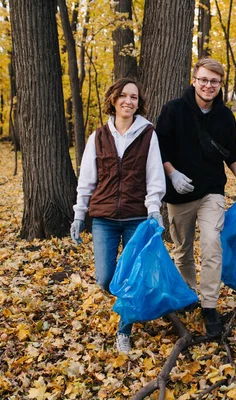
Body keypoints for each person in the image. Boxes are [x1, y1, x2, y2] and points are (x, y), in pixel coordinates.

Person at [155, 57, 236, 338]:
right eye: (203, 80)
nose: (208, 85)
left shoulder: (225, 116)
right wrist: (172, 174)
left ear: (220, 84)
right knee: (182, 249)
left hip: (212, 191)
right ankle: (188, 295)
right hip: (179, 193)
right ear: (194, 80)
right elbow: (159, 148)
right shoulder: (173, 110)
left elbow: (230, 154)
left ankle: (209, 305)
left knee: (212, 244)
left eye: (214, 81)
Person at [70, 77, 166, 354]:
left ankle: (125, 328)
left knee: (131, 276)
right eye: (123, 95)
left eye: (134, 97)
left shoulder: (148, 134)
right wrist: (79, 214)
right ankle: (130, 304)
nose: (128, 101)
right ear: (113, 99)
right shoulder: (98, 136)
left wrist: (154, 211)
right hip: (104, 219)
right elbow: (87, 179)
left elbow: (154, 177)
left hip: (137, 218)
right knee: (104, 278)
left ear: (139, 103)